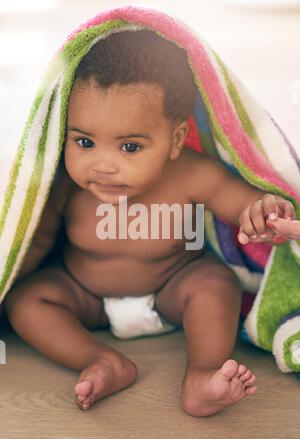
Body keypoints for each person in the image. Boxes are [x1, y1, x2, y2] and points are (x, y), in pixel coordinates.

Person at [2, 30, 296, 417]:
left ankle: (201, 373)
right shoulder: (62, 186)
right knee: (28, 299)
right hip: (83, 292)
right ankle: (103, 360)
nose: (103, 165)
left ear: (175, 140)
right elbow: (32, 244)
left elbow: (245, 206)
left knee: (213, 283)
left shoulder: (192, 175)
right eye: (85, 142)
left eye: (130, 147)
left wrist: (263, 212)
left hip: (171, 288)